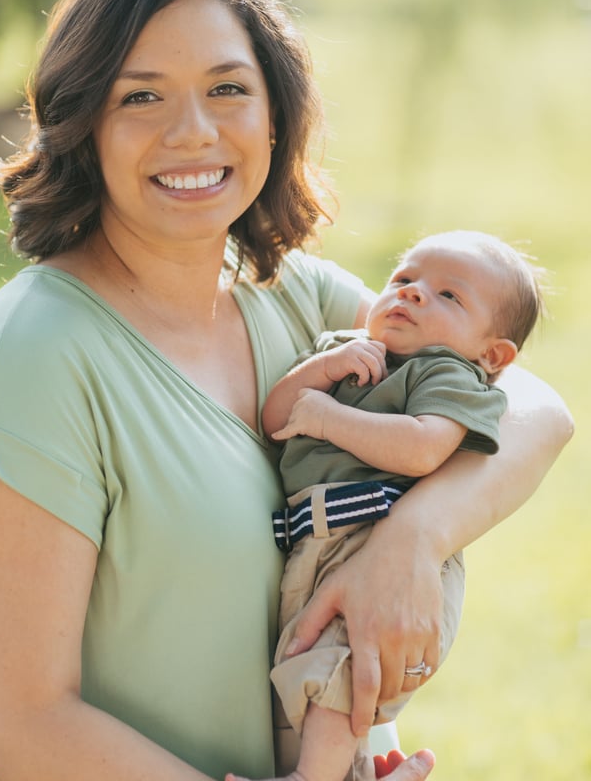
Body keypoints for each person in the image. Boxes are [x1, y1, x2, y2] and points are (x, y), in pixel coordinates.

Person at [0, 0, 572, 781]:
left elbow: (534, 411)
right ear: (84, 125)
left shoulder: (294, 296)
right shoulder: (30, 358)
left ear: (275, 113)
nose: (192, 133)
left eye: (227, 88)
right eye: (141, 98)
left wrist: (410, 541)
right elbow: (24, 727)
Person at [230, 231, 542, 781]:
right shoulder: (344, 348)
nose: (414, 293)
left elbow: (422, 447)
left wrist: (328, 417)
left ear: (492, 354)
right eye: (403, 279)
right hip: (314, 540)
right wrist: (322, 371)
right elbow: (277, 419)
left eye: (449, 296)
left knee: (342, 669)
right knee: (303, 669)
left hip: (377, 543)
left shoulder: (451, 375)